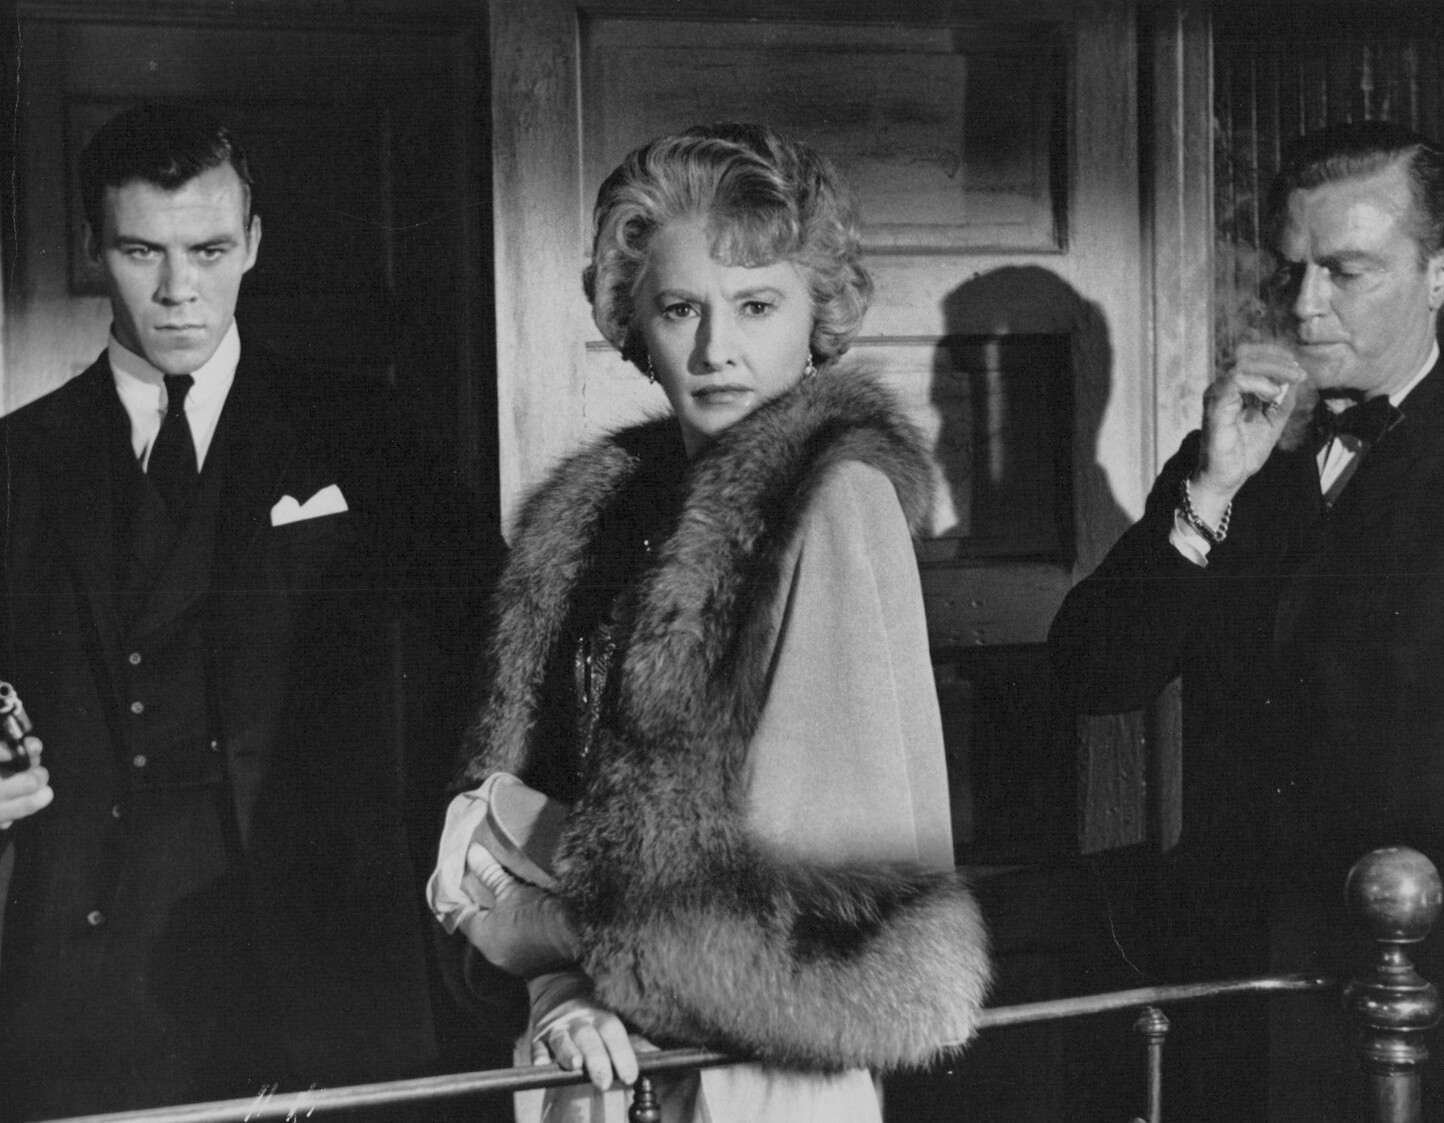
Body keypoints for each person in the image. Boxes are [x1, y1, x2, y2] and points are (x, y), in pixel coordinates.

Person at [427, 123, 991, 1122]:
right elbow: (491, 846)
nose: (715, 348)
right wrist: (559, 991)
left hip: (761, 1085)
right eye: (680, 308)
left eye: (757, 306)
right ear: (635, 322)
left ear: (817, 316)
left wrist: (543, 922)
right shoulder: (603, 523)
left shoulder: (833, 501)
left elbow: (811, 947)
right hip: (591, 1063)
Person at [0, 103, 499, 1120]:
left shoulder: (368, 435)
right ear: (94, 250)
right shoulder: (18, 461)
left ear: (255, 243)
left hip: (331, 961)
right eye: (141, 251)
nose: (178, 290)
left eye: (210, 250)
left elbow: (492, 655)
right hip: (94, 982)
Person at [1049, 120, 1444, 1121]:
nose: (1305, 306)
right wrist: (1211, 490)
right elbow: (1094, 674)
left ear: (1438, 274)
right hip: (1233, 977)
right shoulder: (1237, 458)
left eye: (1346, 272)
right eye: (1290, 271)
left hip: (1407, 984)